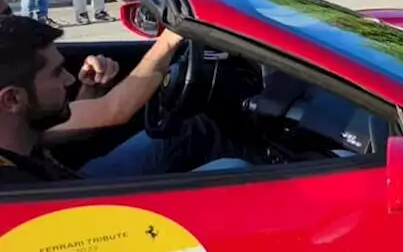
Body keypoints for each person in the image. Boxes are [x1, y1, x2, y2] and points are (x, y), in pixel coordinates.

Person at [0, 17, 243, 183]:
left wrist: (90, 90)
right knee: (236, 172)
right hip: (85, 208)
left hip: (72, 183)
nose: (68, 79)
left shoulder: (15, 129)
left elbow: (80, 126)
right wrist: (172, 36)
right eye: (56, 73)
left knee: (191, 128)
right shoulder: (15, 185)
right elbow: (115, 110)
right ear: (12, 99)